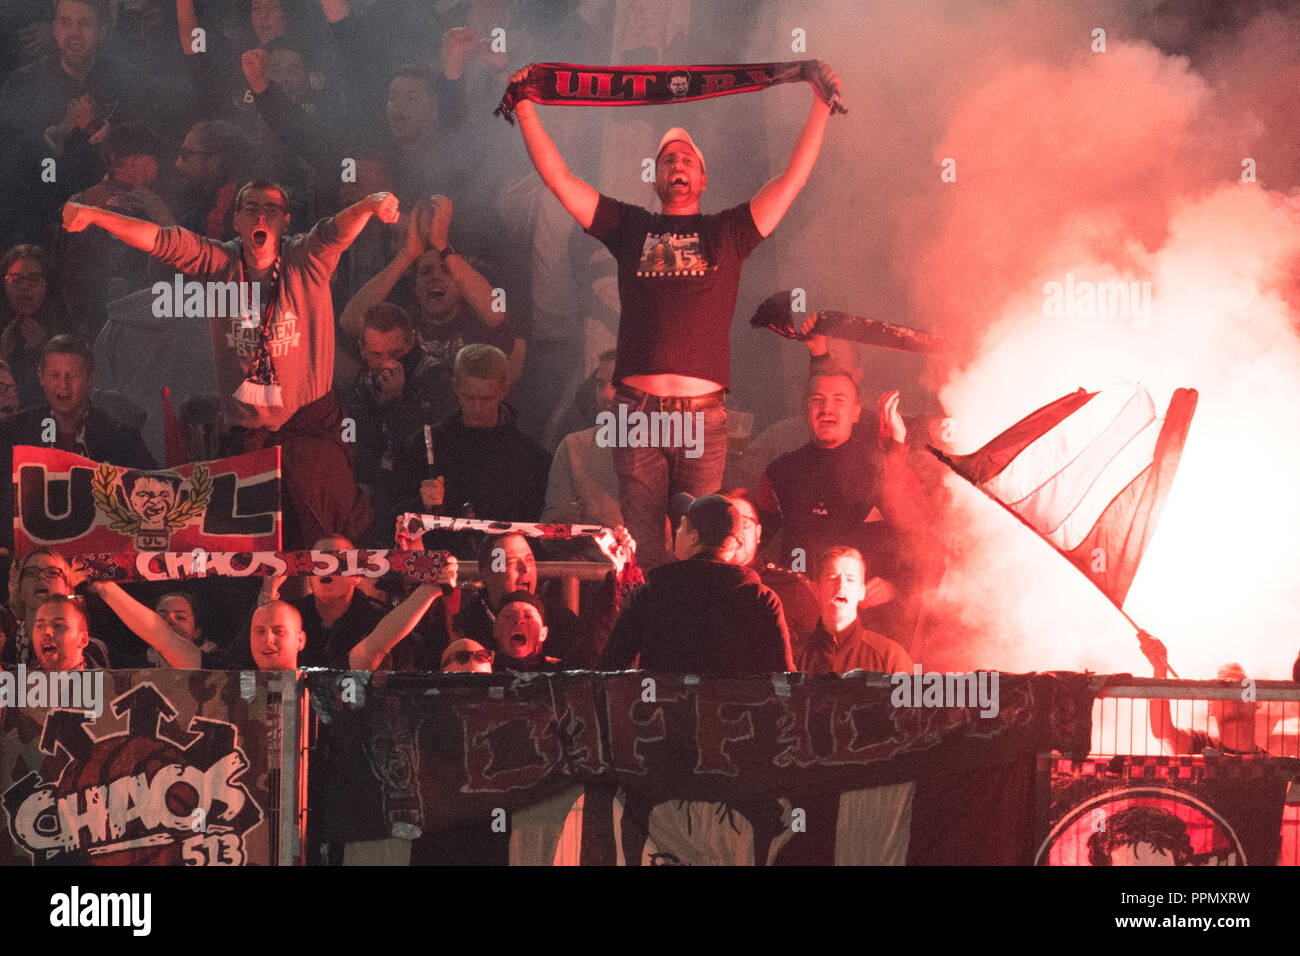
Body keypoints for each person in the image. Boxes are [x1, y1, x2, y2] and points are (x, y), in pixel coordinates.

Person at [510, 62, 842, 568]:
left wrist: (821, 104)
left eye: (686, 158)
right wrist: (526, 107)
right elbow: (559, 180)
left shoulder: (727, 232)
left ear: (703, 177)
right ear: (657, 177)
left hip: (702, 416)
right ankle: (650, 644)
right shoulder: (631, 227)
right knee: (643, 553)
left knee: (704, 552)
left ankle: (692, 645)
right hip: (635, 412)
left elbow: (792, 180)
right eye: (667, 160)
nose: (676, 164)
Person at [60, 179, 401, 547]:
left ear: (285, 221)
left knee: (327, 549)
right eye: (251, 208)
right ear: (237, 220)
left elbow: (334, 231)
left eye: (271, 209)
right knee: (242, 556)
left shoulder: (305, 260)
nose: (261, 215)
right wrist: (96, 215)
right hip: (246, 441)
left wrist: (369, 203)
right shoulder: (219, 262)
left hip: (310, 437)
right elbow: (161, 240)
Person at [757, 367, 924, 642]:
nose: (827, 409)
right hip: (800, 623)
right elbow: (754, 541)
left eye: (839, 400)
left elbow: (919, 540)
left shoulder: (881, 469)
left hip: (869, 621)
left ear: (856, 412)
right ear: (805, 410)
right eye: (817, 400)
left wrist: (896, 586)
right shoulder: (780, 472)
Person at [598, 493, 793, 676]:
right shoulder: (762, 600)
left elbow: (609, 670)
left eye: (682, 526)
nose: (677, 532)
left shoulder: (651, 596)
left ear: (693, 536)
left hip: (662, 710)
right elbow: (784, 680)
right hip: (734, 712)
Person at [339, 194, 522, 387]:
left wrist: (442, 246)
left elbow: (498, 317)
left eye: (446, 271)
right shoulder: (401, 305)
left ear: (461, 283)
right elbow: (349, 322)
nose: (435, 277)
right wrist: (407, 255)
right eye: (426, 272)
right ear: (415, 285)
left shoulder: (476, 313)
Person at [0, 335, 156, 553]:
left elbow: (156, 493)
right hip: (31, 566)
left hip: (102, 562)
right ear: (41, 377)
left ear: (91, 377)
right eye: (54, 375)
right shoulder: (12, 433)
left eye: (72, 375)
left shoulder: (120, 436)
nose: (63, 385)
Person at [399, 344, 549, 553]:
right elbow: (396, 515)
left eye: (486, 399)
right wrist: (421, 505)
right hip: (443, 564)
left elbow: (536, 527)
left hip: (504, 567)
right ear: (456, 388)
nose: (477, 407)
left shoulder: (530, 457)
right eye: (470, 398)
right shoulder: (425, 445)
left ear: (503, 391)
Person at [1137, 631, 1275, 756]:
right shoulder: (1200, 746)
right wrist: (1160, 669)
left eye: (1241, 684)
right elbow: (1163, 732)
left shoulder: (1272, 766)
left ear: (1257, 701)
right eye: (1222, 687)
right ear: (1210, 707)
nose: (1232, 692)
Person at [795, 547, 913, 675]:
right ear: (817, 590)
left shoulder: (890, 657)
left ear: (861, 592)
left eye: (850, 579)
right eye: (832, 577)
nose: (841, 585)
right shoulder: (792, 656)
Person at [3, 549, 109, 668]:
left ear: (67, 588)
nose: (42, 576)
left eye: (53, 572)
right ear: (20, 588)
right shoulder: (5, 647)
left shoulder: (91, 649)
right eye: (31, 572)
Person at [1, 245, 71, 408]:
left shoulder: (67, 330)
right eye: (16, 279)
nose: (24, 287)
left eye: (33, 279)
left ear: (46, 284)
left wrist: (44, 348)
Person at [490, 589, 560, 672]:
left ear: (543, 633)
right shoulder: (483, 670)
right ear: (495, 630)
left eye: (528, 616)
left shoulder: (559, 673)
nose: (519, 620)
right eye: (509, 616)